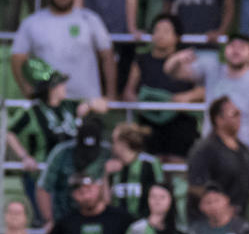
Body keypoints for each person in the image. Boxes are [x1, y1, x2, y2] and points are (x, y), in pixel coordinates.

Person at [165, 33, 249, 162]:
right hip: (210, 152)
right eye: (232, 46)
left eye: (242, 47)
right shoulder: (213, 71)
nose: (236, 51)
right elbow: (171, 72)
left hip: (241, 155)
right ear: (225, 50)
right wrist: (177, 58)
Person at [6, 60, 99, 216]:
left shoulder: (69, 106)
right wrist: (24, 157)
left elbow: (103, 105)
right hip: (42, 175)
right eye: (60, 84)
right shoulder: (32, 110)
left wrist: (88, 105)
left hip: (69, 175)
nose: (64, 87)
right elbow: (9, 132)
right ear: (51, 88)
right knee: (46, 219)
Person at [11, 0, 116, 101]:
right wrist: (28, 91)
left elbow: (107, 56)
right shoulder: (32, 22)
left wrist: (111, 95)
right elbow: (18, 58)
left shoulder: (90, 19)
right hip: (49, 104)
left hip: (87, 103)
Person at [123, 14, 202, 161]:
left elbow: (202, 90)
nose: (160, 35)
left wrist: (187, 97)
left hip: (179, 119)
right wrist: (139, 103)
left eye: (166, 31)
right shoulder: (141, 60)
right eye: (157, 30)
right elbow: (129, 91)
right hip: (149, 120)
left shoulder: (186, 60)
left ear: (177, 37)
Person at [185, 97, 249, 219]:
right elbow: (196, 186)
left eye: (239, 113)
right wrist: (219, 205)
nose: (239, 118)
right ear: (219, 119)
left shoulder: (243, 149)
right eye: (235, 114)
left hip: (237, 220)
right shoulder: (204, 149)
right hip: (209, 223)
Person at [36, 115, 113, 225]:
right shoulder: (62, 152)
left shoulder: (108, 153)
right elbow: (43, 188)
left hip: (100, 220)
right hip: (65, 218)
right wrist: (49, 220)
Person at [105, 122, 163, 220]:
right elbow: (106, 202)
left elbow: (161, 194)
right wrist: (105, 175)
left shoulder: (150, 163)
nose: (112, 146)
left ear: (123, 143)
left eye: (113, 141)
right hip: (117, 224)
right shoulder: (111, 167)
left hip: (144, 223)